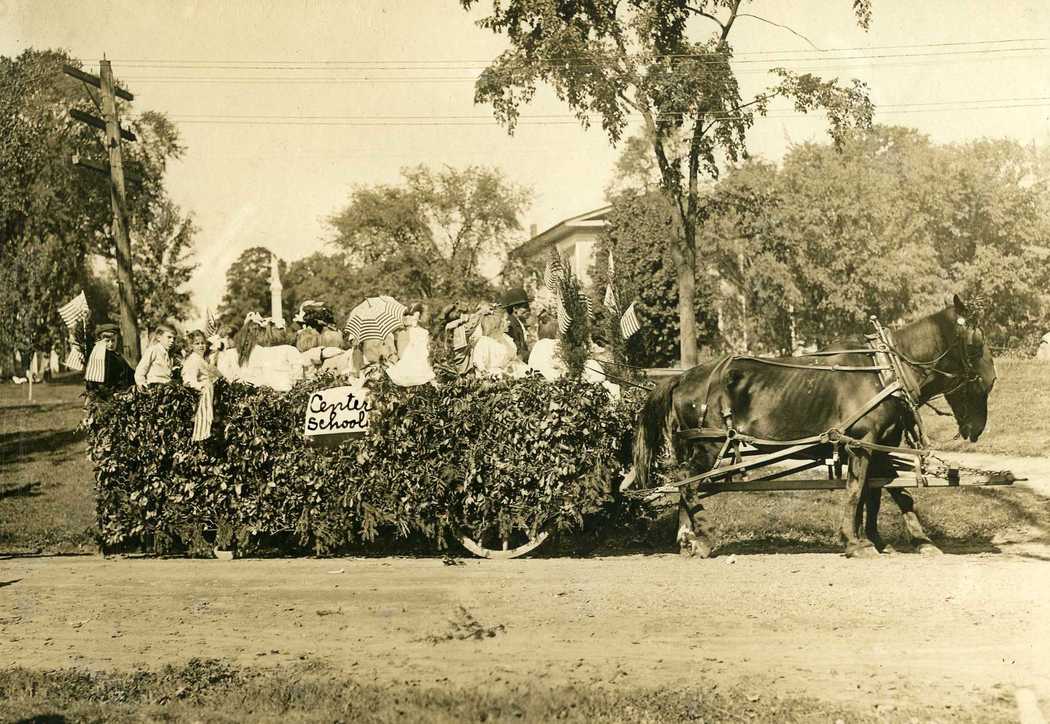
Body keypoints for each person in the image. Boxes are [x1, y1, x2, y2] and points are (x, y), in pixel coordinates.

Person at [230, 312, 304, 392]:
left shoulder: (249, 352)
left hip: (255, 394)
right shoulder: (288, 350)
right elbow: (297, 376)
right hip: (282, 393)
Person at [387, 302, 436, 387]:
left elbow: (424, 352)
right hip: (407, 361)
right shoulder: (401, 332)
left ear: (417, 315)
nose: (406, 318)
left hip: (417, 362)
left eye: (410, 315)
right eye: (405, 315)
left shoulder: (421, 332)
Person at [472, 306, 526, 378]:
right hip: (494, 378)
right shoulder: (484, 343)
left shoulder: (506, 339)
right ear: (497, 324)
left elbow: (513, 358)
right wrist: (500, 373)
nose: (509, 322)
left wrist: (512, 365)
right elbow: (482, 369)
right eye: (506, 320)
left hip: (510, 372)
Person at [84, 323, 135, 397]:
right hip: (105, 396)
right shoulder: (98, 358)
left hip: (121, 394)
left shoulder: (118, 357)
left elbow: (129, 374)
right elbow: (95, 382)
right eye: (107, 341)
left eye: (113, 340)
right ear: (100, 341)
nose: (111, 344)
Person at [135, 323, 176, 388]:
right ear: (159, 337)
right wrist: (142, 385)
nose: (172, 341)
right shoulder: (153, 350)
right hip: (155, 387)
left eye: (174, 338)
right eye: (169, 337)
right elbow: (140, 370)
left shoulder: (169, 355)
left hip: (167, 387)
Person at [526, 314, 565, 381]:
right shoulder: (555, 344)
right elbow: (562, 364)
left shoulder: (538, 344)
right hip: (551, 379)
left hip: (535, 378)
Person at [501, 286, 531, 361]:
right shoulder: (510, 325)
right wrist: (535, 354)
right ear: (515, 309)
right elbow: (516, 351)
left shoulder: (518, 322)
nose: (529, 309)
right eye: (525, 306)